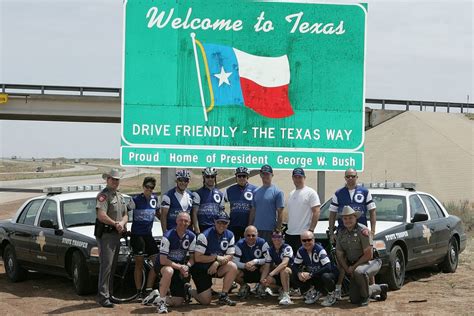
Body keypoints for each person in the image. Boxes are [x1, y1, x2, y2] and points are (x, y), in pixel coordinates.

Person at [328, 168, 377, 297]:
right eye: (348, 176)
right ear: (345, 178)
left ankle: (372, 288)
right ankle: (339, 288)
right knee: (342, 260)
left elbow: (372, 211)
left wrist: (373, 230)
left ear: (357, 177)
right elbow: (332, 213)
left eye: (352, 176)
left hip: (363, 232)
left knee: (367, 259)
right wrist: (332, 232)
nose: (350, 178)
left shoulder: (365, 192)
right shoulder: (338, 193)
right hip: (343, 230)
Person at [335, 206, 388, 306]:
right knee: (354, 299)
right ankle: (380, 288)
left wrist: (353, 268)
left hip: (371, 262)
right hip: (353, 265)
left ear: (355, 218)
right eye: (345, 218)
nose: (348, 221)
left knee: (359, 272)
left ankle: (365, 297)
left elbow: (368, 254)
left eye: (350, 218)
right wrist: (347, 268)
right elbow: (339, 254)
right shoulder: (341, 233)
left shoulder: (363, 230)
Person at [146, 212, 196, 314]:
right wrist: (180, 267)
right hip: (163, 265)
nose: (183, 223)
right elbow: (163, 260)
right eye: (181, 220)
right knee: (169, 271)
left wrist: (187, 267)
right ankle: (161, 304)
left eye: (186, 221)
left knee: (178, 302)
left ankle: (156, 297)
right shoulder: (168, 235)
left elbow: (192, 258)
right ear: (176, 221)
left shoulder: (191, 236)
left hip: (178, 267)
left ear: (190, 223)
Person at [94, 168, 128, 308]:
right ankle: (103, 297)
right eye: (113, 179)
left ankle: (110, 294)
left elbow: (126, 214)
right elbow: (101, 215)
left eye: (117, 179)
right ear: (107, 179)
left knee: (113, 266)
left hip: (116, 234)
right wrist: (115, 224)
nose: (115, 182)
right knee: (106, 267)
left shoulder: (119, 196)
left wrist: (122, 223)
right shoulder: (103, 196)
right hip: (107, 235)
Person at [189, 212, 238, 306]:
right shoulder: (204, 235)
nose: (221, 225)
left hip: (216, 266)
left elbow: (230, 255)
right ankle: (189, 290)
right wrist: (215, 257)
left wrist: (217, 262)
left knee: (232, 266)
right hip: (201, 268)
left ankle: (224, 296)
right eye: (219, 222)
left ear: (228, 223)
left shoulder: (230, 235)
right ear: (214, 222)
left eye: (224, 223)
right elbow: (197, 258)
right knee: (206, 301)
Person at [130, 177, 160, 301]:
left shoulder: (155, 199)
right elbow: (125, 212)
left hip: (148, 235)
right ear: (143, 186)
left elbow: (159, 214)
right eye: (147, 187)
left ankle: (148, 288)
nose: (149, 189)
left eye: (151, 188)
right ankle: (138, 292)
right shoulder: (135, 199)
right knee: (139, 263)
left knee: (157, 262)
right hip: (137, 235)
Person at [291, 230, 338, 307]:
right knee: (294, 274)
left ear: (314, 239)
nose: (307, 242)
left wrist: (311, 274)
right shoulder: (301, 250)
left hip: (328, 274)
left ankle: (332, 294)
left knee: (325, 276)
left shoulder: (319, 250)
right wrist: (299, 273)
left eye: (309, 240)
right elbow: (295, 266)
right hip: (315, 275)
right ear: (301, 241)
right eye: (304, 240)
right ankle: (314, 292)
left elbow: (328, 267)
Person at [285, 167, 321, 253]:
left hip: (303, 235)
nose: (297, 179)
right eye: (295, 177)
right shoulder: (291, 193)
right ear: (292, 178)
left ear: (304, 178)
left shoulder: (310, 192)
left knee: (303, 263)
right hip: (290, 234)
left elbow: (316, 211)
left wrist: (311, 230)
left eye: (300, 177)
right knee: (291, 262)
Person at [249, 165, 284, 243]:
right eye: (263, 174)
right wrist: (249, 226)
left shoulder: (278, 192)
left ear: (272, 175)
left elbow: (280, 212)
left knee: (268, 253)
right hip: (256, 230)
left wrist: (278, 229)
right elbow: (253, 210)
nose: (265, 176)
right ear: (260, 175)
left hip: (270, 230)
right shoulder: (255, 191)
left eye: (268, 174)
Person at [233, 225, 269, 298]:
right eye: (248, 235)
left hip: (259, 271)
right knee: (232, 269)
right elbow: (235, 262)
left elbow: (268, 259)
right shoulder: (239, 244)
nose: (250, 237)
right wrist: (245, 265)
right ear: (244, 235)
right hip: (245, 271)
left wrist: (255, 261)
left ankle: (261, 286)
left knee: (267, 266)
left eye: (253, 235)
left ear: (257, 235)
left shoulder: (263, 242)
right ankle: (244, 286)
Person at [260, 230, 294, 305]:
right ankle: (281, 290)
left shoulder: (287, 247)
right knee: (265, 280)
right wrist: (262, 280)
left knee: (284, 270)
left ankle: (287, 295)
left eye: (279, 237)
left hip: (291, 275)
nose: (277, 239)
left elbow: (284, 263)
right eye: (274, 237)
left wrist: (271, 274)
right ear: (271, 238)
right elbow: (267, 266)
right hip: (278, 275)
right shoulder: (270, 250)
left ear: (283, 238)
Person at [224, 166, 257, 240]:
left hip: (248, 226)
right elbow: (222, 206)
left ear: (247, 177)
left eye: (244, 176)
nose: (241, 178)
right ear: (236, 177)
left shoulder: (255, 190)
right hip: (233, 225)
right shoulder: (229, 190)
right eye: (239, 176)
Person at [192, 167, 225, 234]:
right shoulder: (197, 193)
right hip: (202, 227)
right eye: (207, 177)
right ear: (204, 178)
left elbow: (222, 213)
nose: (210, 179)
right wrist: (197, 229)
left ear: (215, 178)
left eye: (212, 176)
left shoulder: (220, 194)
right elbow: (194, 213)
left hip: (216, 227)